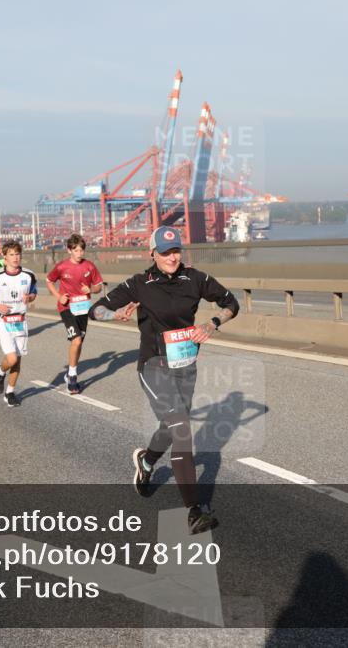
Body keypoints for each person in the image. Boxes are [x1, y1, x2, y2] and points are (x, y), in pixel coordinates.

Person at [89, 226, 239, 535]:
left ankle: (147, 460)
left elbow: (230, 304)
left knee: (170, 428)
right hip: (153, 364)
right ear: (152, 253)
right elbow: (95, 309)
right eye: (165, 252)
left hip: (185, 365)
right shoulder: (139, 284)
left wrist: (212, 323)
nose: (172, 257)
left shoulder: (196, 279)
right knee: (181, 428)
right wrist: (112, 316)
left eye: (175, 251)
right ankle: (194, 511)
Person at [0, 241, 36, 407]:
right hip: (2, 320)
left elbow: (33, 293)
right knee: (11, 358)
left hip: (20, 320)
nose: (15, 258)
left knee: (17, 360)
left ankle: (10, 392)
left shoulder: (28, 275)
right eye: (11, 254)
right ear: (5, 257)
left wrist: (30, 298)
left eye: (17, 254)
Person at [45, 233, 103, 394]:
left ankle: (71, 371)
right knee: (76, 340)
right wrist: (59, 296)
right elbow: (49, 280)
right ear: (69, 250)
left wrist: (90, 289)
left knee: (78, 343)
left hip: (83, 309)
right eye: (76, 250)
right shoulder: (62, 267)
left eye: (81, 250)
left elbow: (99, 286)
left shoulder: (89, 266)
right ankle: (72, 377)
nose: (79, 254)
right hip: (67, 308)